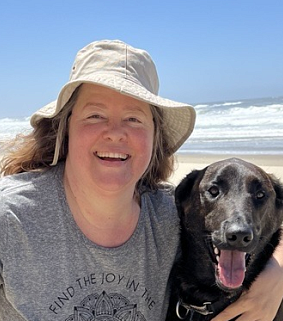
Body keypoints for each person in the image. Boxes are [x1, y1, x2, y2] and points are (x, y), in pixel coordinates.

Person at [0, 40, 282, 321]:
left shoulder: (168, 213)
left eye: (134, 119)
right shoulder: (12, 218)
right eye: (95, 115)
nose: (115, 133)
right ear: (65, 128)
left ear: (154, 136)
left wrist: (276, 274)